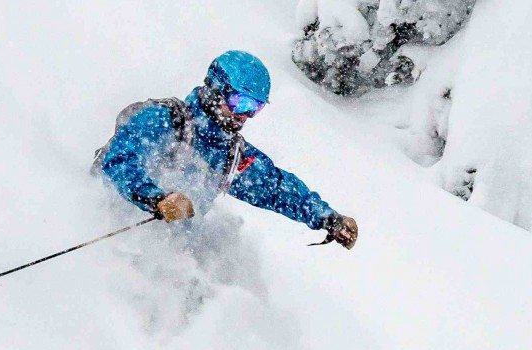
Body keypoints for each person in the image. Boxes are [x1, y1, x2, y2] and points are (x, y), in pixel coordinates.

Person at [98, 50, 358, 248]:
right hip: (113, 238)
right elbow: (118, 161)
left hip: (169, 255)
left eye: (254, 108)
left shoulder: (229, 155)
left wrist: (327, 218)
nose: (244, 115)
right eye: (240, 102)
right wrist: (156, 198)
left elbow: (276, 189)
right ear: (215, 90)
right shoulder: (165, 120)